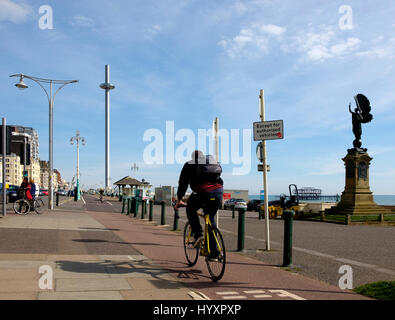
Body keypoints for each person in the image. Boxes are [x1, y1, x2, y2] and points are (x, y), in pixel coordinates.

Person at [174, 150, 223, 258]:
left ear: (192, 157)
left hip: (202, 193)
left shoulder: (189, 164)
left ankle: (198, 234)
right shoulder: (212, 162)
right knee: (210, 219)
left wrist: (179, 199)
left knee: (190, 209)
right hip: (218, 192)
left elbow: (183, 183)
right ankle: (214, 253)